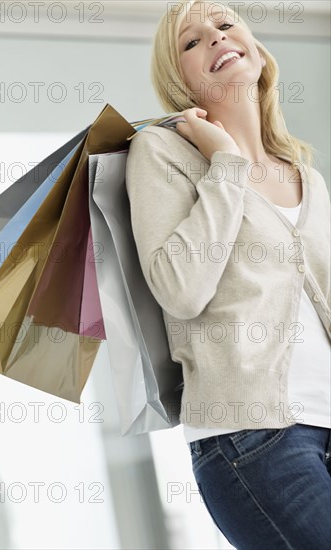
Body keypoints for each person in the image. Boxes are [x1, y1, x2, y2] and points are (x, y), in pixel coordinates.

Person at [125, 1, 331, 548]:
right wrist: (226, 166)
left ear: (255, 47)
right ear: (181, 82)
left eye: (223, 25)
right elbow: (180, 290)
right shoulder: (162, 152)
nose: (214, 39)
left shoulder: (305, 173)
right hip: (254, 438)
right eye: (191, 42)